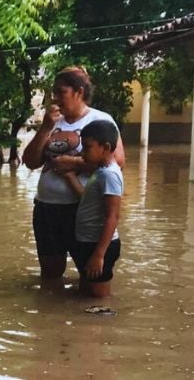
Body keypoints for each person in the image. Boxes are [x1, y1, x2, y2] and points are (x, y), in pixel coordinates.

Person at [22, 66, 125, 282]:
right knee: (50, 274)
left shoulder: (100, 120)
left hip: (81, 210)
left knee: (88, 276)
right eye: (54, 92)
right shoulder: (51, 122)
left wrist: (73, 163)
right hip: (47, 207)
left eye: (61, 92)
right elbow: (30, 162)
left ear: (78, 92)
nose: (55, 98)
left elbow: (118, 162)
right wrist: (45, 128)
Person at [62, 120, 123, 297]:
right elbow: (88, 200)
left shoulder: (109, 175)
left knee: (99, 299)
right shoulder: (101, 171)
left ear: (105, 147)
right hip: (89, 242)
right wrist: (70, 177)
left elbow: (113, 217)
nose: (82, 153)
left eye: (87, 147)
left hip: (99, 245)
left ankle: (102, 325)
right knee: (86, 293)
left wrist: (99, 255)